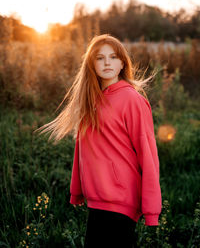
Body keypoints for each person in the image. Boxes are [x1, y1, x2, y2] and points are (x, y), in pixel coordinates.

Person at [34, 34, 162, 248]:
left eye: (113, 57)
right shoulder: (91, 98)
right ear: (92, 64)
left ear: (122, 62)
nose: (107, 63)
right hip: (97, 200)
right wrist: (77, 190)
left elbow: (148, 154)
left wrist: (151, 209)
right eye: (100, 58)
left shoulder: (132, 100)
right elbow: (82, 149)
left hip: (121, 201)